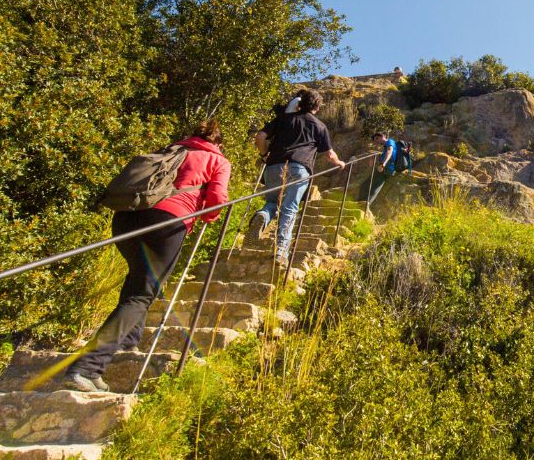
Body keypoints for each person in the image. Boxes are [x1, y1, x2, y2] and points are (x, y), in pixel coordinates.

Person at [63, 120, 230, 393]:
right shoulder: (217, 160)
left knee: (138, 281)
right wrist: (210, 216)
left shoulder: (172, 150)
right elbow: (218, 197)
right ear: (218, 143)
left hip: (127, 217)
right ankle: (87, 367)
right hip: (166, 223)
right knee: (141, 294)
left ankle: (129, 340)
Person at [249, 89, 343, 267]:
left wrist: (263, 155)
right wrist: (340, 162)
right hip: (299, 169)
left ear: (299, 102)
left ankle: (262, 216)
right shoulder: (320, 126)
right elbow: (329, 154)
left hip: (274, 166)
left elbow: (260, 137)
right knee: (289, 209)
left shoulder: (283, 119)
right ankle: (281, 252)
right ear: (318, 106)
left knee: (272, 203)